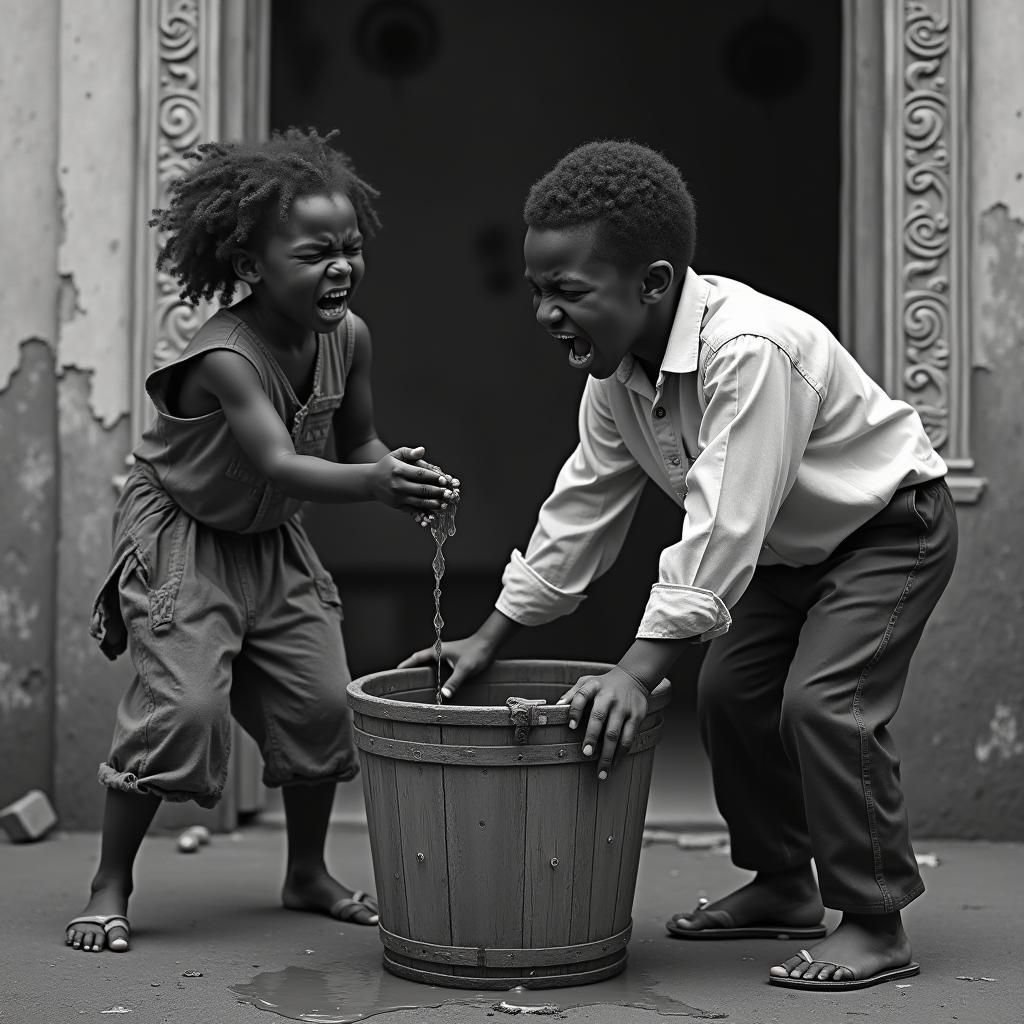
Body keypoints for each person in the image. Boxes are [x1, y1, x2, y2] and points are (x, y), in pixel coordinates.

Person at [401, 140, 957, 991]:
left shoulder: (749, 350)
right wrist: (489, 637)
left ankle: (877, 920)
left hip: (887, 531)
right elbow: (581, 512)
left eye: (570, 292)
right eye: (539, 290)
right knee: (731, 695)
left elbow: (724, 521)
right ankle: (782, 882)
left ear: (653, 284)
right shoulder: (615, 380)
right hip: (783, 550)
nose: (547, 313)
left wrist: (637, 669)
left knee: (824, 704)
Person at [66, 127, 459, 954]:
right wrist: (374, 485)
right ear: (251, 265)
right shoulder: (225, 359)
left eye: (350, 248)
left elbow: (359, 446)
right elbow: (278, 460)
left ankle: (306, 873)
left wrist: (401, 475)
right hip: (183, 536)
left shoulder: (348, 338)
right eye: (315, 253)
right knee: (185, 710)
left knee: (321, 706)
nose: (341, 267)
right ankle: (110, 882)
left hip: (270, 540)